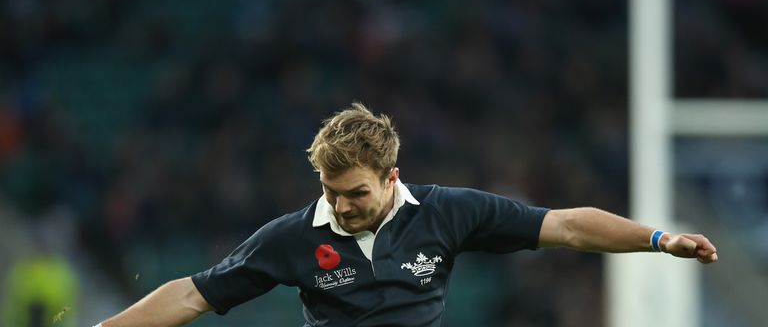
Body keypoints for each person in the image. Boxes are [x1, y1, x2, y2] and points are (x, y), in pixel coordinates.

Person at [94, 103, 718, 327]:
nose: (340, 206)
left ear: (391, 178)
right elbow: (193, 294)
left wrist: (659, 239)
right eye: (330, 191)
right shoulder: (292, 238)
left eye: (356, 193)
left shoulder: (449, 212)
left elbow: (567, 225)